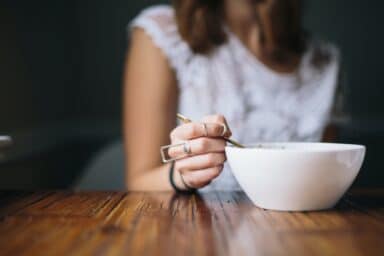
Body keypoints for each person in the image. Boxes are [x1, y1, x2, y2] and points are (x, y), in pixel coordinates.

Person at [123, 0, 344, 192]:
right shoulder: (164, 33)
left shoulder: (324, 61)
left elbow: (323, 177)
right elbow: (140, 180)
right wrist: (183, 174)